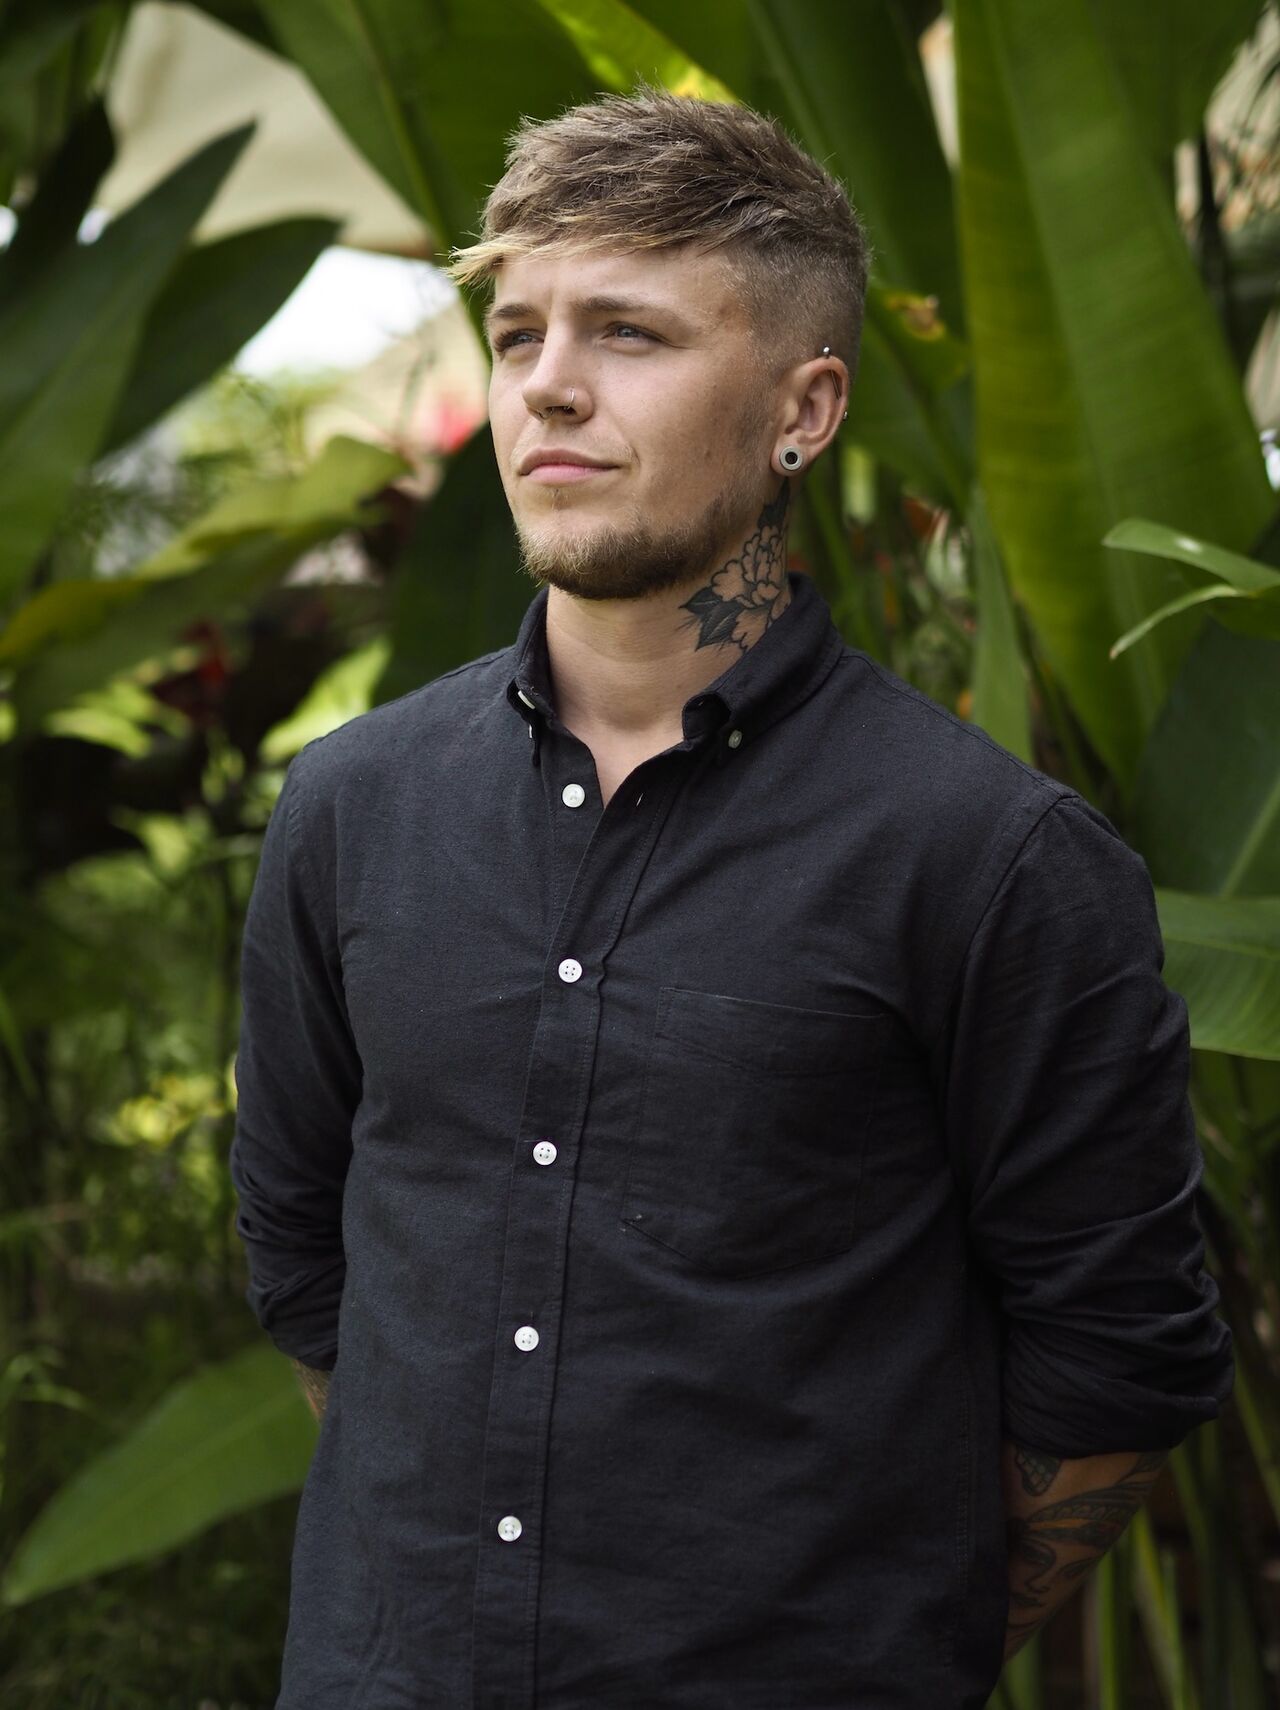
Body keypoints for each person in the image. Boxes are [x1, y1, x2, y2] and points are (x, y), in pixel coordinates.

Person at [229, 83, 1234, 1709]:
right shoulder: (351, 808)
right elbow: (301, 1238)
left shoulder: (991, 858)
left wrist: (884, 1642)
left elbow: (1115, 1349)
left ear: (805, 409)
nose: (551, 386)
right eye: (520, 333)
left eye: (629, 334)